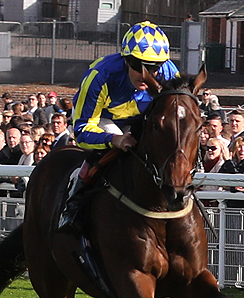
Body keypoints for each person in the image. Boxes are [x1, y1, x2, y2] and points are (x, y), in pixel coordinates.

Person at [56, 22, 182, 233]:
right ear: (125, 60)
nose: (146, 74)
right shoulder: (100, 76)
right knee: (116, 148)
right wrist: (115, 140)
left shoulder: (169, 74)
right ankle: (73, 205)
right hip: (104, 121)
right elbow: (81, 132)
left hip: (142, 119)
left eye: (153, 67)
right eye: (138, 65)